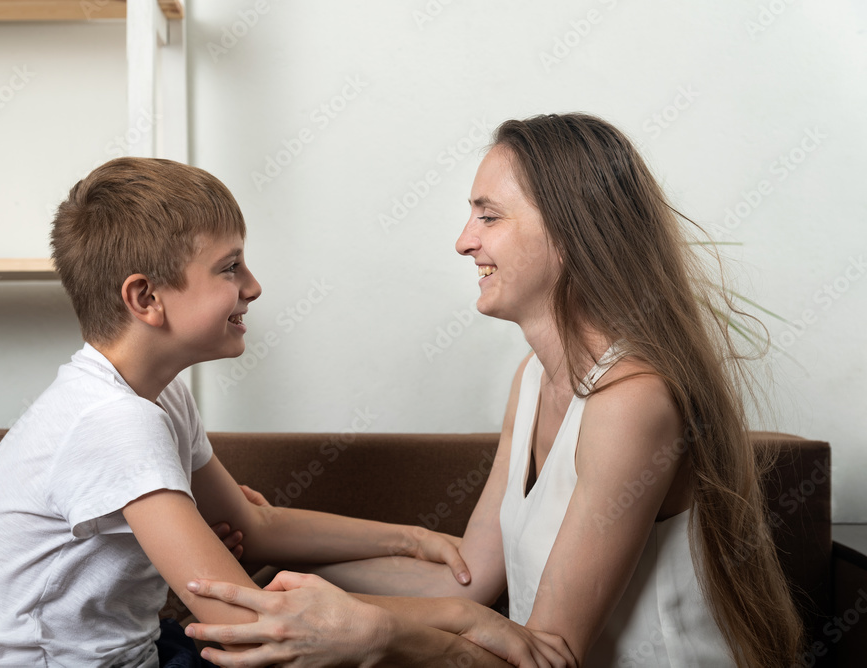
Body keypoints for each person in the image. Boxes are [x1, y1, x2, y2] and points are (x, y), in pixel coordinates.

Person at [181, 114, 806, 667]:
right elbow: (467, 581)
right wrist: (278, 579)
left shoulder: (632, 403)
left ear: (571, 232)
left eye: (489, 215)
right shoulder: (533, 378)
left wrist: (375, 633)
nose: (464, 241)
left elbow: (550, 654)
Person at [0, 157, 474, 667]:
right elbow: (250, 628)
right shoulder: (111, 420)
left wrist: (413, 539)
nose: (253, 286)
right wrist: (457, 624)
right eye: (230, 267)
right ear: (145, 297)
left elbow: (255, 526)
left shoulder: (161, 396)